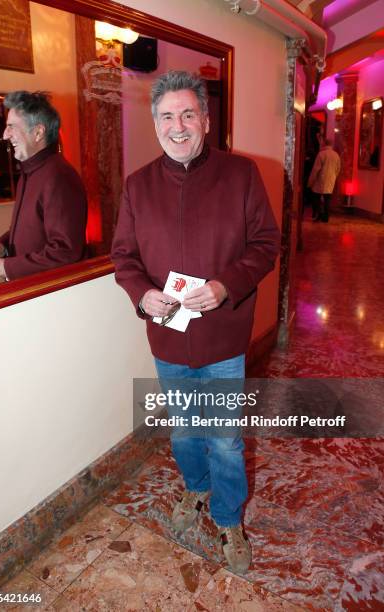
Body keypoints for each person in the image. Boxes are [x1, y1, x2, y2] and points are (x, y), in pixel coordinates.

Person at [111, 71, 280, 574]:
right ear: (155, 124)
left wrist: (227, 284)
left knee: (225, 438)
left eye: (188, 114)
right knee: (185, 431)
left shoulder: (242, 174)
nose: (177, 126)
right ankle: (196, 491)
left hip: (222, 338)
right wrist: (142, 295)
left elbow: (265, 245)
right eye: (167, 116)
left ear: (206, 120)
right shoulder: (138, 186)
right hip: (167, 339)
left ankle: (228, 519)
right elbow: (124, 256)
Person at [0, 91, 87, 280]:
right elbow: (32, 228)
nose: (5, 135)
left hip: (46, 296)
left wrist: (8, 267)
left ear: (38, 132)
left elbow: (65, 252)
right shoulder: (30, 171)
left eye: (11, 127)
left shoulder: (59, 176)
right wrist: (2, 246)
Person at [307, 138, 341, 222]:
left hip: (320, 180)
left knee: (316, 198)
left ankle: (317, 215)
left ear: (324, 144)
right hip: (331, 180)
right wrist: (334, 177)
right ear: (331, 145)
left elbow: (315, 169)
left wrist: (310, 182)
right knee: (327, 199)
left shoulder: (321, 154)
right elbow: (338, 169)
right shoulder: (336, 155)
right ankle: (326, 217)